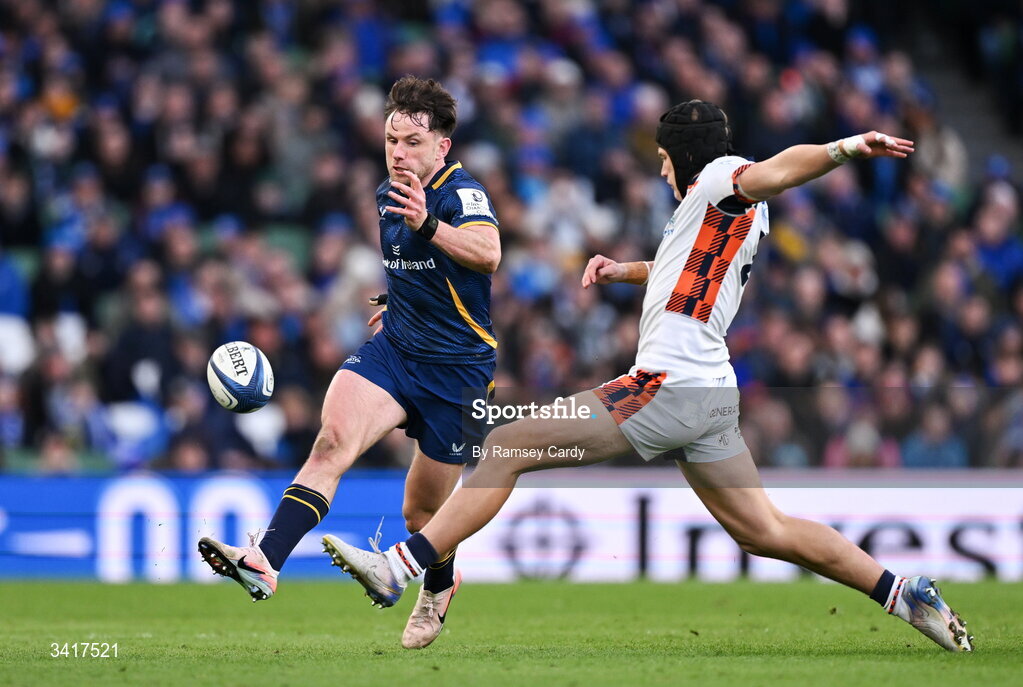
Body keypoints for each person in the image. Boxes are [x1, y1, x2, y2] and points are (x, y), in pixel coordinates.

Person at [323, 100, 973, 653]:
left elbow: (776, 170)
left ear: (683, 156)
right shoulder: (720, 210)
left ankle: (399, 566)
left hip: (668, 383)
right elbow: (687, 265)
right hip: (710, 392)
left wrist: (846, 147)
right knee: (763, 530)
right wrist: (623, 270)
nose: (660, 166)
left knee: (505, 445)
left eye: (663, 155)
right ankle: (900, 590)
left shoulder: (722, 177)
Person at [198, 76, 501, 650]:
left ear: (442, 146)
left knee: (421, 515)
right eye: (391, 139)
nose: (397, 152)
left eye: (412, 142)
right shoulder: (386, 193)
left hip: (458, 373)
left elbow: (488, 254)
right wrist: (400, 302)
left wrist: (429, 226)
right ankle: (265, 560)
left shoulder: (461, 195)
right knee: (331, 442)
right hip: (396, 352)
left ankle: (438, 586)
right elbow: (419, 269)